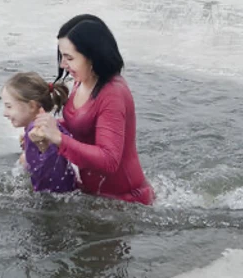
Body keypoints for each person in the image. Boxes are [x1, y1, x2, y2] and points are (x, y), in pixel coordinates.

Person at [29, 15, 155, 205]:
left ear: (93, 57)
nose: (63, 64)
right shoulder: (82, 81)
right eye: (62, 56)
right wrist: (46, 128)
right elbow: (83, 126)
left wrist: (59, 139)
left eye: (69, 58)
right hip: (94, 196)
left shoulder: (112, 94)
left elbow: (109, 160)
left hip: (125, 202)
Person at [2, 72, 77, 193]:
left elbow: (46, 170)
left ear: (32, 106)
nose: (4, 113)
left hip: (54, 199)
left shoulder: (38, 129)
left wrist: (27, 158)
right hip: (67, 190)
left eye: (9, 106)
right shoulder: (46, 125)